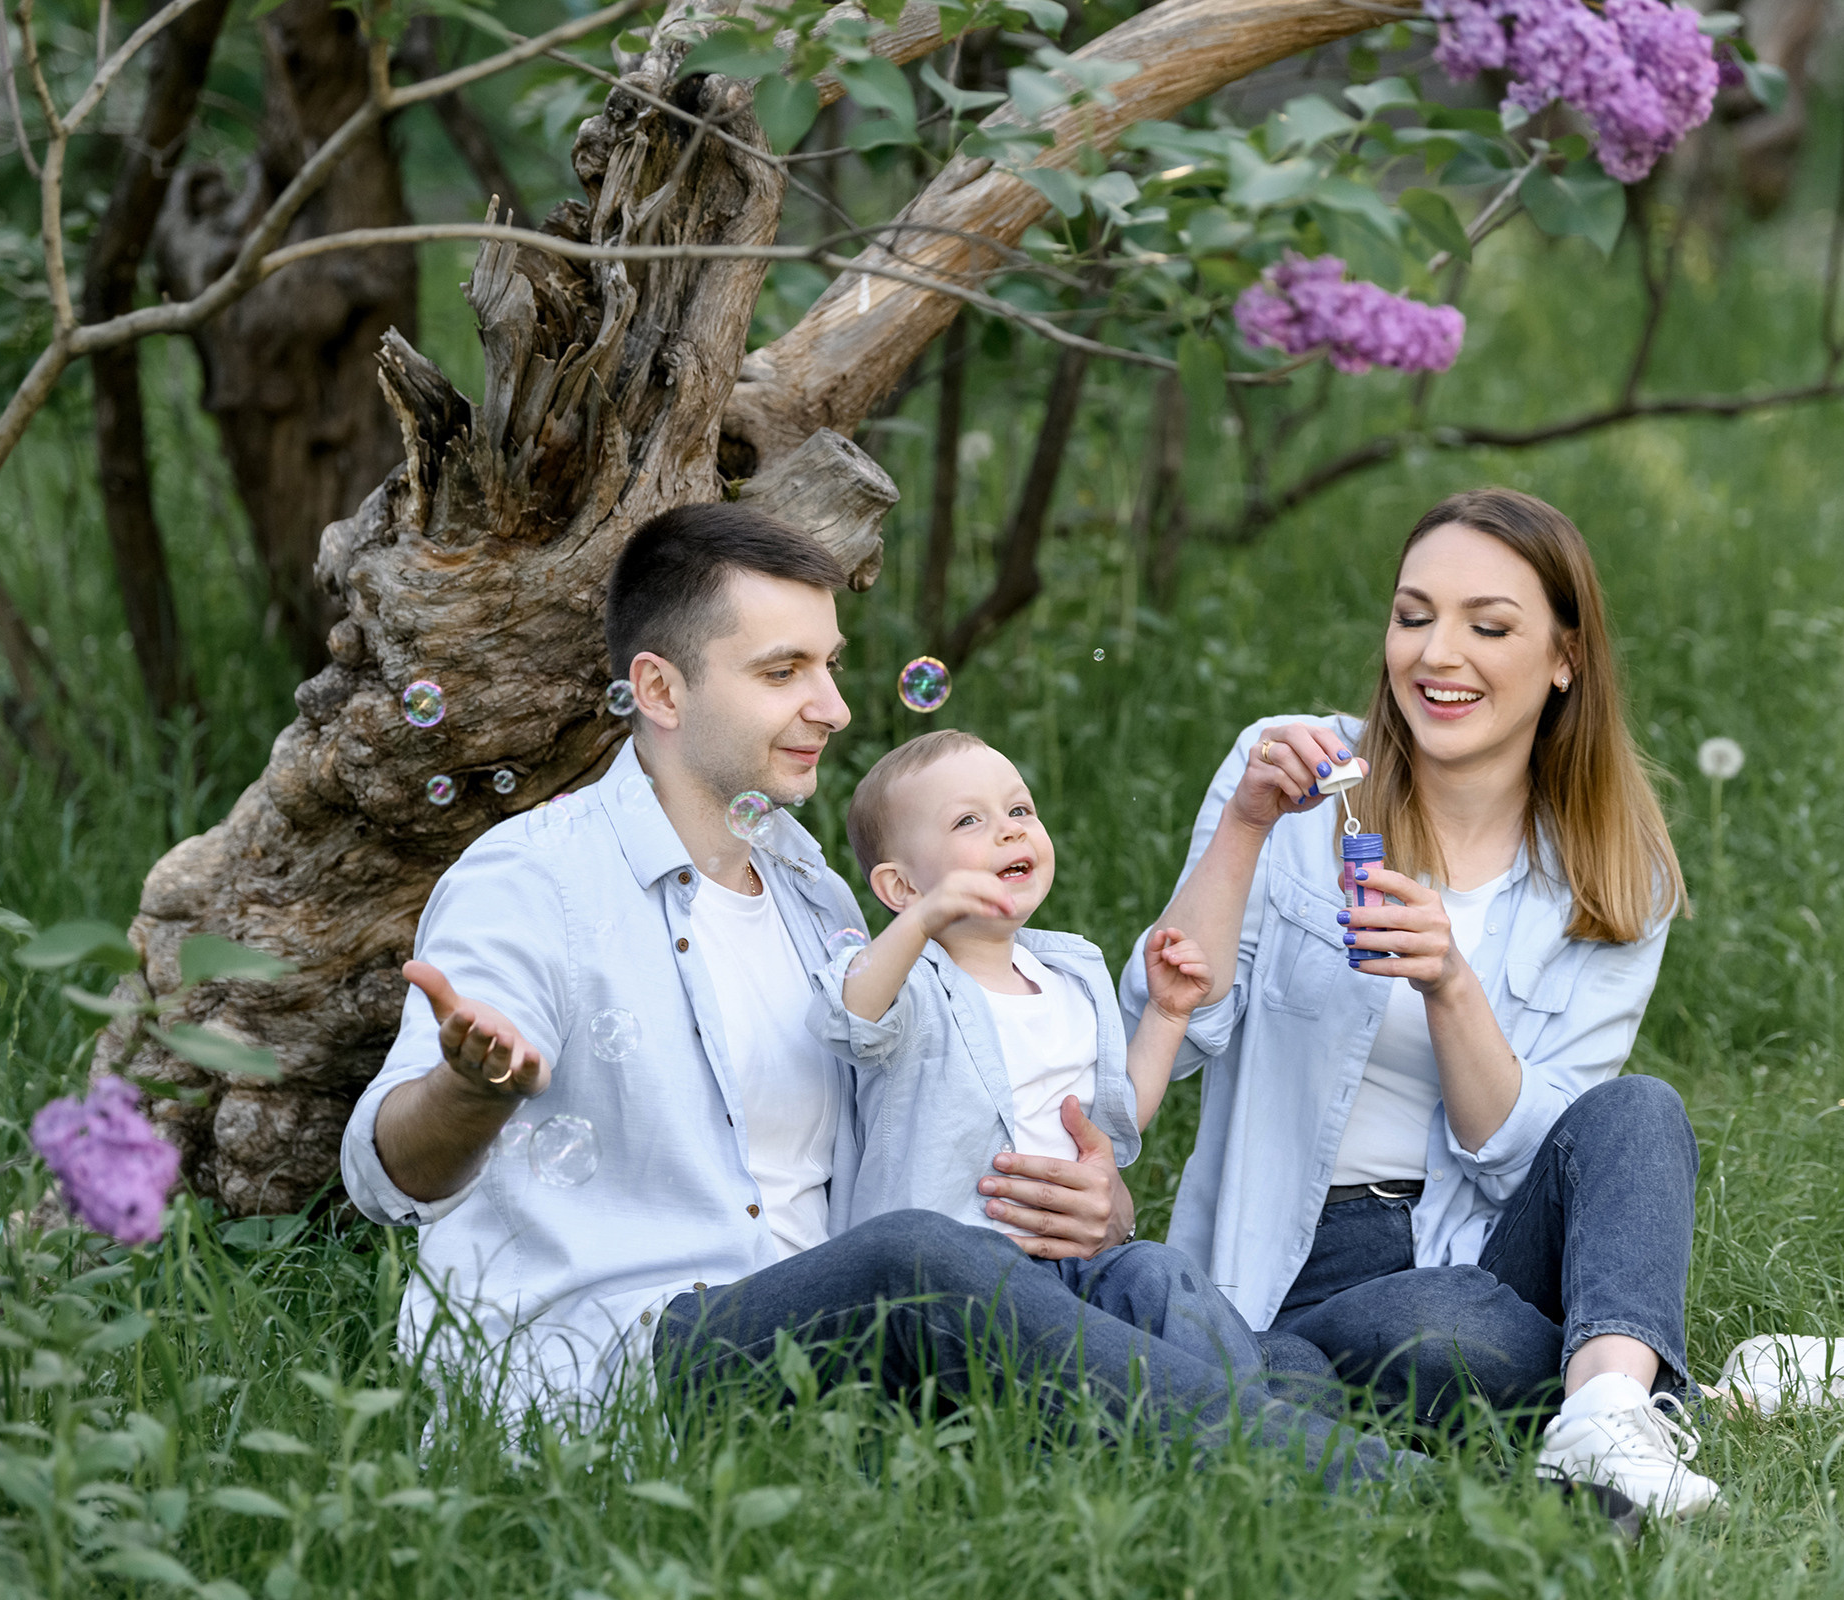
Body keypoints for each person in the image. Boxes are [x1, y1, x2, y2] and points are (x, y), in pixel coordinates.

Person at [338, 503, 1402, 1484]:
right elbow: (388, 1173)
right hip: (624, 1369)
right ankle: (1370, 1487)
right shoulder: (536, 881)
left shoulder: (812, 893)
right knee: (915, 1259)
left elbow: (931, 1122)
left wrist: (1096, 1206)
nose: (835, 708)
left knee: (1201, 1315)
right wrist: (471, 1092)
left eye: (832, 666)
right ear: (659, 691)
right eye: (783, 671)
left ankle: (1288, 1448)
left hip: (849, 1362)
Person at [1122, 487, 1717, 1517]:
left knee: (1635, 1117)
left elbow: (1532, 1159)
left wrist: (1450, 987)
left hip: (1475, 1262)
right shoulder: (1295, 775)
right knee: (1382, 1355)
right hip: (1286, 1268)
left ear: (1566, 657)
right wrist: (1248, 827)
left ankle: (1606, 1411)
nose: (1438, 655)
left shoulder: (1618, 874)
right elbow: (1173, 1026)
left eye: (1488, 627)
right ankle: (1640, 1388)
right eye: (1413, 616)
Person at [805, 728, 1273, 1374]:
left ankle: (1248, 1411)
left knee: (1162, 1275)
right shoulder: (909, 987)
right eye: (969, 820)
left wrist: (1167, 1015)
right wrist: (919, 923)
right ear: (902, 887)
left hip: (1076, 1265)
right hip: (955, 1286)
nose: (1010, 830)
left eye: (1020, 809)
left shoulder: (1071, 977)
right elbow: (848, 1018)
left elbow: (1115, 1116)